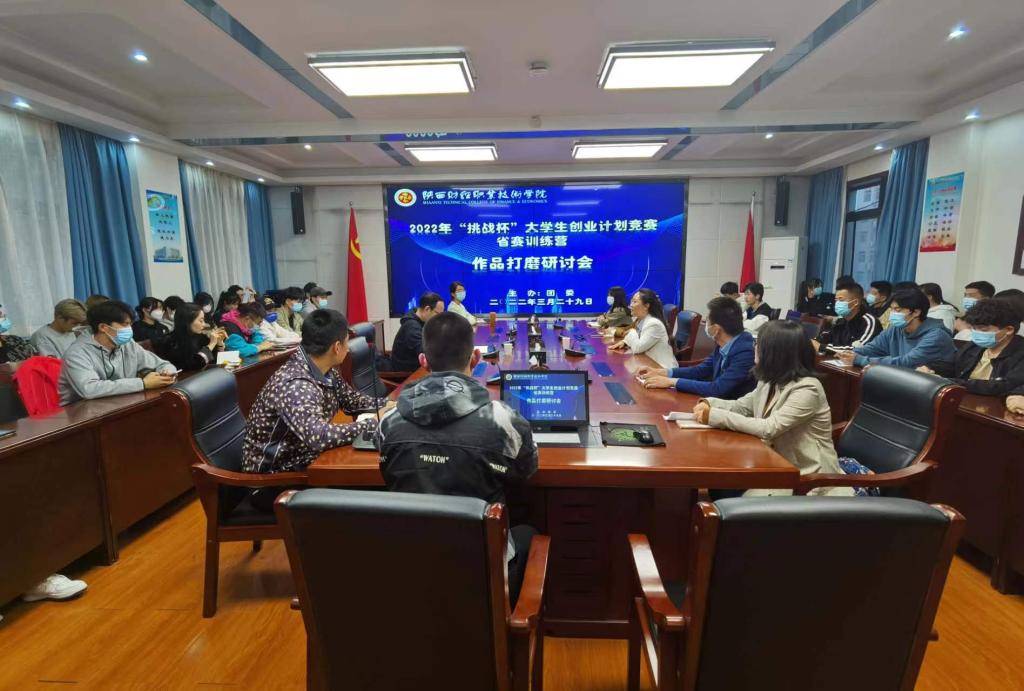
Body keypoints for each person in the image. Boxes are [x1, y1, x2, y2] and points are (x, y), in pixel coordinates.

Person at [378, 312, 538, 604]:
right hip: (486, 577)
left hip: (413, 569)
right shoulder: (504, 421)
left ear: (423, 361)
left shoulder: (389, 421)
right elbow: (527, 470)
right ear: (475, 358)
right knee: (529, 532)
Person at [241, 309, 390, 510]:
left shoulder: (323, 368)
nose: (348, 349)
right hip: (274, 482)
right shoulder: (296, 384)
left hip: (304, 461)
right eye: (347, 343)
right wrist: (371, 424)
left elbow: (351, 400)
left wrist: (388, 406)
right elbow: (318, 436)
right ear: (337, 347)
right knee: (374, 488)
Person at [692, 320, 853, 496]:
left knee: (728, 492)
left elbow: (770, 428)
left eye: (759, 344)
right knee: (721, 484)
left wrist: (714, 416)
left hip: (808, 478)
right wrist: (709, 403)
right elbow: (742, 406)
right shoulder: (768, 380)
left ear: (776, 352)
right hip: (774, 464)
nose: (755, 347)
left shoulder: (808, 388)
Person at [57, 300, 177, 406]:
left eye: (130, 324)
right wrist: (142, 383)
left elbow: (162, 364)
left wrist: (166, 372)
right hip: (80, 413)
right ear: (103, 327)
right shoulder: (76, 353)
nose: (130, 329)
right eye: (125, 324)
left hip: (121, 403)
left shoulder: (127, 343)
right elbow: (90, 389)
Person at [635, 296, 755, 398]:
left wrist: (671, 382)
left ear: (716, 329)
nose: (705, 323)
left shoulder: (744, 351)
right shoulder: (724, 343)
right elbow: (699, 370)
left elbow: (718, 388)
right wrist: (661, 372)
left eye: (707, 321)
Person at [918, 299, 1024, 396]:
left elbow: (1003, 386)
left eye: (983, 330)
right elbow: (953, 364)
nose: (977, 333)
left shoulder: (1019, 353)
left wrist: (950, 382)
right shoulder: (975, 346)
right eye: (974, 328)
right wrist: (931, 368)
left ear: (1009, 330)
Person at [836, 287, 956, 371]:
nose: (892, 314)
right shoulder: (897, 329)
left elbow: (906, 363)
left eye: (897, 310)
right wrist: (850, 354)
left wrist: (860, 360)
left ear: (916, 312)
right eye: (892, 309)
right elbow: (873, 348)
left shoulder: (936, 336)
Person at [608, 288, 677, 368]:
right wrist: (625, 342)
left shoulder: (654, 324)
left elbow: (638, 348)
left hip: (662, 368)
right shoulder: (641, 320)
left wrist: (632, 331)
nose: (631, 305)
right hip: (648, 364)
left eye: (634, 302)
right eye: (631, 301)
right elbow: (639, 339)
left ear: (646, 306)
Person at [155, 302, 228, 371]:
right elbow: (194, 366)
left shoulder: (200, 337)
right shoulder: (170, 342)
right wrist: (211, 344)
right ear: (187, 321)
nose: (204, 324)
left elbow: (216, 362)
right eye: (201, 321)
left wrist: (219, 344)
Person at [814, 283, 881, 351]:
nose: (837, 303)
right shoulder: (842, 320)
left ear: (855, 302)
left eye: (841, 300)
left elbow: (858, 350)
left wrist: (822, 347)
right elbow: (827, 336)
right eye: (836, 300)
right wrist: (814, 341)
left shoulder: (869, 321)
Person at [390, 291, 445, 372]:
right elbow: (425, 351)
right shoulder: (412, 327)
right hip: (406, 372)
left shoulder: (422, 320)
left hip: (416, 365)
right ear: (427, 309)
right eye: (438, 314)